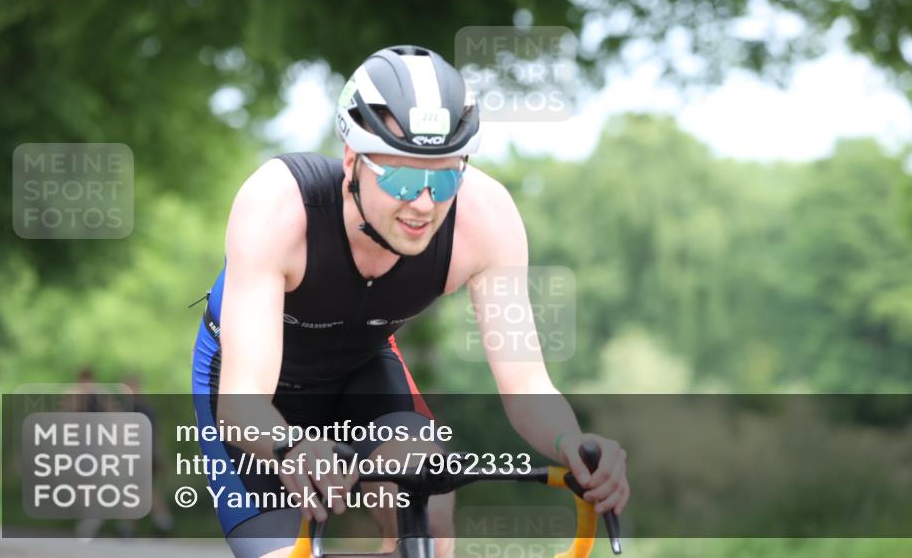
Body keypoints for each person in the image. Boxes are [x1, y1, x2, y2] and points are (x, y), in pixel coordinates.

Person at [191, 45, 629, 558]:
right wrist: (292, 446)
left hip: (363, 371)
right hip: (254, 398)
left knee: (430, 510)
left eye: (444, 178)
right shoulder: (279, 207)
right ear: (352, 160)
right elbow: (242, 402)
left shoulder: (484, 220)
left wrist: (569, 443)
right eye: (402, 178)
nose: (423, 204)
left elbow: (526, 384)